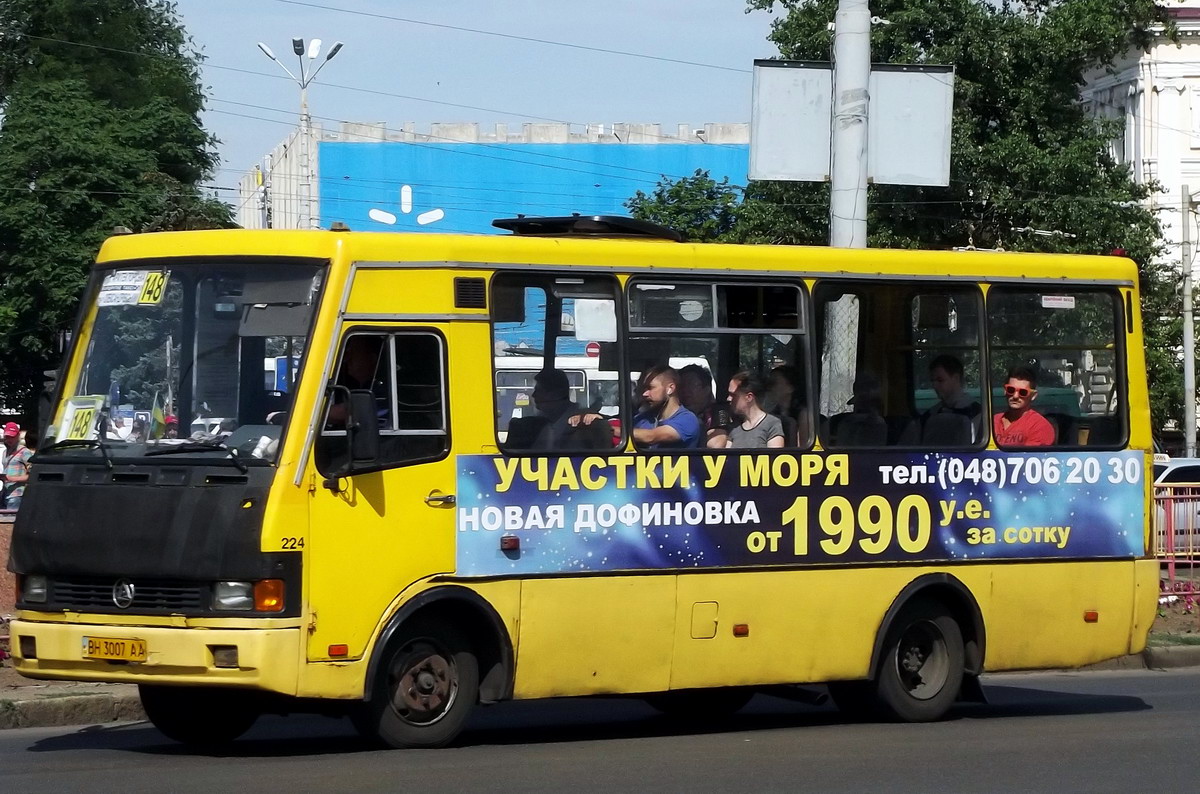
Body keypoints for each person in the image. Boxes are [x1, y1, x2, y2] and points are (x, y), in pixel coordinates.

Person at [571, 365, 701, 449]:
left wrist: (605, 426)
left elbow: (651, 437)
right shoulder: (645, 418)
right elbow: (623, 427)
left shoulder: (687, 419)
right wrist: (595, 419)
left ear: (670, 388)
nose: (645, 394)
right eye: (644, 389)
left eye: (650, 388)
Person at [909, 354, 983, 444]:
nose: (934, 386)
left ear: (956, 378)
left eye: (940, 380)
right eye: (932, 381)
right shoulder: (928, 416)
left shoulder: (976, 414)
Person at [529, 368, 608, 451]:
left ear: (556, 394)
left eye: (539, 391)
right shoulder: (542, 422)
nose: (534, 395)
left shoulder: (583, 420)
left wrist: (599, 424)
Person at [993, 365, 1055, 447]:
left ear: (1033, 395)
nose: (1015, 396)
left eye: (1023, 392)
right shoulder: (992, 422)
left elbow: (1030, 458)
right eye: (1010, 390)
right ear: (1005, 391)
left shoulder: (1040, 427)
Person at [725, 372, 785, 449]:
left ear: (749, 397)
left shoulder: (772, 424)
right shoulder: (734, 427)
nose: (728, 399)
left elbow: (774, 457)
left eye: (734, 395)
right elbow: (726, 457)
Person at [678, 363, 728, 448]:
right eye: (682, 385)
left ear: (707, 389)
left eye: (691, 385)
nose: (685, 390)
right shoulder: (677, 414)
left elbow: (717, 445)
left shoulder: (720, 411)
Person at [2, 422, 33, 512]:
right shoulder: (5, 452)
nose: (9, 440)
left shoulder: (25, 452)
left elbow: (33, 475)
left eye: (12, 437)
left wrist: (11, 478)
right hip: (6, 493)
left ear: (18, 436)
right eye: (7, 437)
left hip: (18, 494)